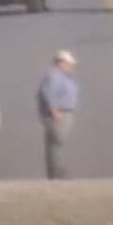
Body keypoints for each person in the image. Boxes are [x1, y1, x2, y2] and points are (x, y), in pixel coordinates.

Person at [37, 50, 79, 180]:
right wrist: (54, 110)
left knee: (57, 144)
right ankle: (57, 173)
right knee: (57, 143)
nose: (71, 67)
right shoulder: (54, 76)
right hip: (59, 113)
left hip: (63, 112)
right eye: (69, 64)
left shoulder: (62, 77)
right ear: (61, 63)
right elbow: (48, 93)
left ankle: (57, 172)